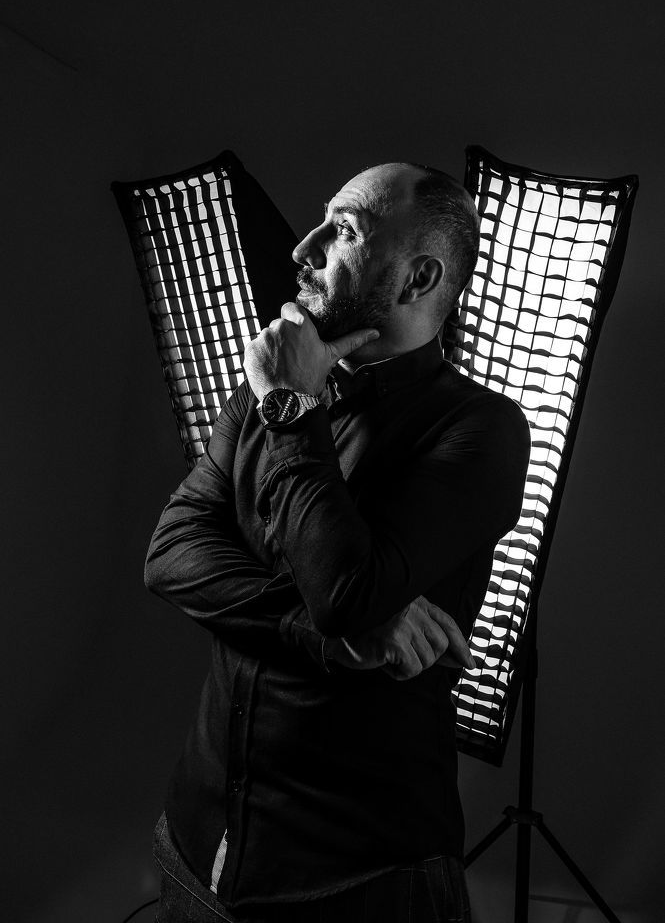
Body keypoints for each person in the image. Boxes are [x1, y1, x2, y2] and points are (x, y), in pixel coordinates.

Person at [146, 161, 530, 923]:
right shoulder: (266, 386)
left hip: (357, 880)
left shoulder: (481, 430)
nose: (304, 247)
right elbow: (171, 553)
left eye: (344, 230)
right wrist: (326, 633)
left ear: (418, 278)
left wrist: (291, 407)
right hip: (196, 845)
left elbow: (344, 592)